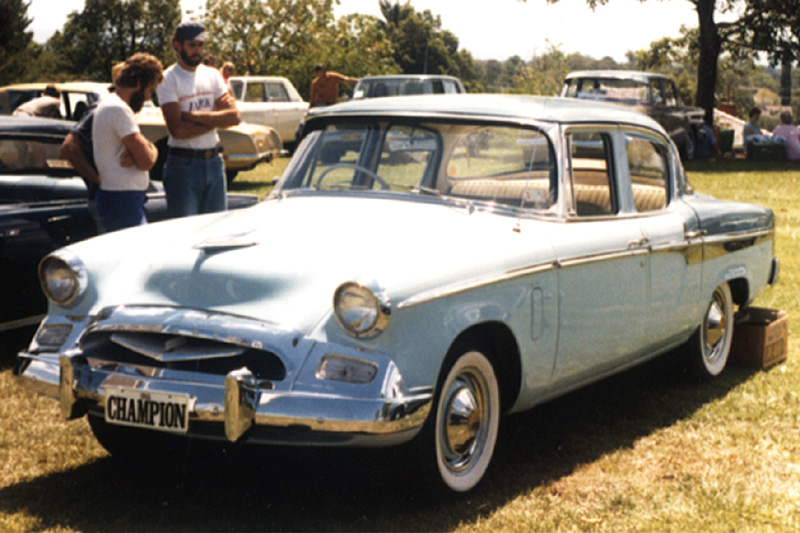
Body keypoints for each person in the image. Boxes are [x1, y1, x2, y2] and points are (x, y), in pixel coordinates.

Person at [157, 21, 240, 218]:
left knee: (215, 226)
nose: (197, 50)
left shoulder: (212, 75)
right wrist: (216, 119)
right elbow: (178, 130)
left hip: (214, 161)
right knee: (186, 229)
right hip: (183, 164)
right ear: (178, 45)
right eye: (192, 45)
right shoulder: (169, 79)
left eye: (200, 45)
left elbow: (234, 117)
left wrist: (191, 116)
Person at [92, 52, 163, 233]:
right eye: (150, 90)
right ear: (138, 83)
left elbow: (143, 153)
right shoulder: (118, 109)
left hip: (122, 197)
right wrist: (149, 150)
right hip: (122, 199)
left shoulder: (111, 104)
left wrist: (146, 148)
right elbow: (146, 161)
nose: (148, 98)